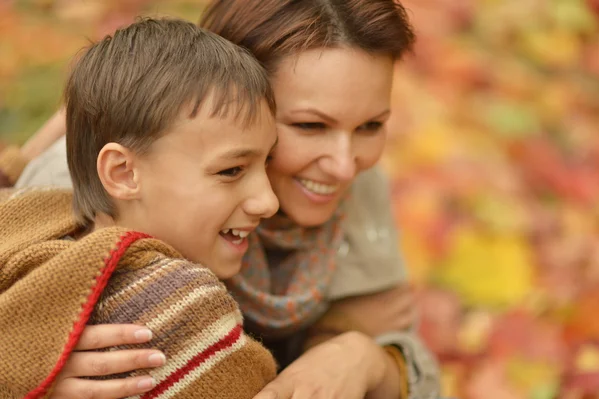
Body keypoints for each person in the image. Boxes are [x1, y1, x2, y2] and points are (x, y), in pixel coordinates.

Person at [2, 1, 441, 398]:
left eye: (371, 126)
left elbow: (411, 359)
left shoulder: (352, 183)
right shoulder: (96, 189)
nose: (346, 165)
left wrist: (365, 358)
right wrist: (24, 366)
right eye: (310, 126)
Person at [0, 17, 282, 398]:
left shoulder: (29, 219)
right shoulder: (179, 305)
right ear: (123, 173)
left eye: (267, 162)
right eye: (231, 170)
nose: (269, 201)